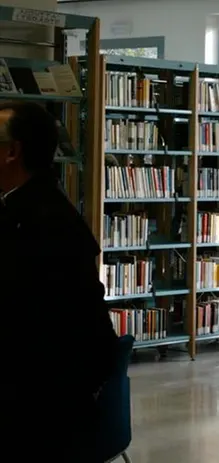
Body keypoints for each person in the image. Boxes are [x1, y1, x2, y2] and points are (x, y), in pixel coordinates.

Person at [0, 102, 118, 459]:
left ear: (12, 152)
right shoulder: (30, 208)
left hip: (42, 411)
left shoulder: (42, 223)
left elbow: (32, 324)